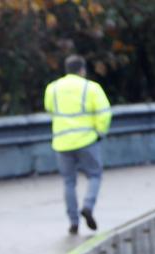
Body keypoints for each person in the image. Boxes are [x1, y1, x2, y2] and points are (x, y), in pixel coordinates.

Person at [44, 54, 111, 235]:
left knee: (68, 182)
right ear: (82, 70)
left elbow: (50, 110)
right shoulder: (91, 88)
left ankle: (73, 222)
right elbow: (104, 113)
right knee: (95, 175)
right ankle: (88, 205)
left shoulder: (53, 88)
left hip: (61, 143)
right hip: (87, 140)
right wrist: (99, 133)